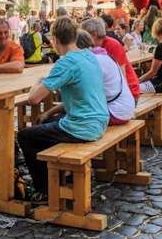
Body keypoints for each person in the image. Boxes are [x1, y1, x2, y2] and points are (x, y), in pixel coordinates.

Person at [17, 20, 110, 203]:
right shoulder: (89, 56)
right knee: (45, 124)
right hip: (100, 121)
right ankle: (60, 176)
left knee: (25, 136)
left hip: (83, 127)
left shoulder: (66, 63)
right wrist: (48, 113)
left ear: (55, 40)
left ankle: (45, 190)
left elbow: (33, 99)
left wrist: (38, 82)